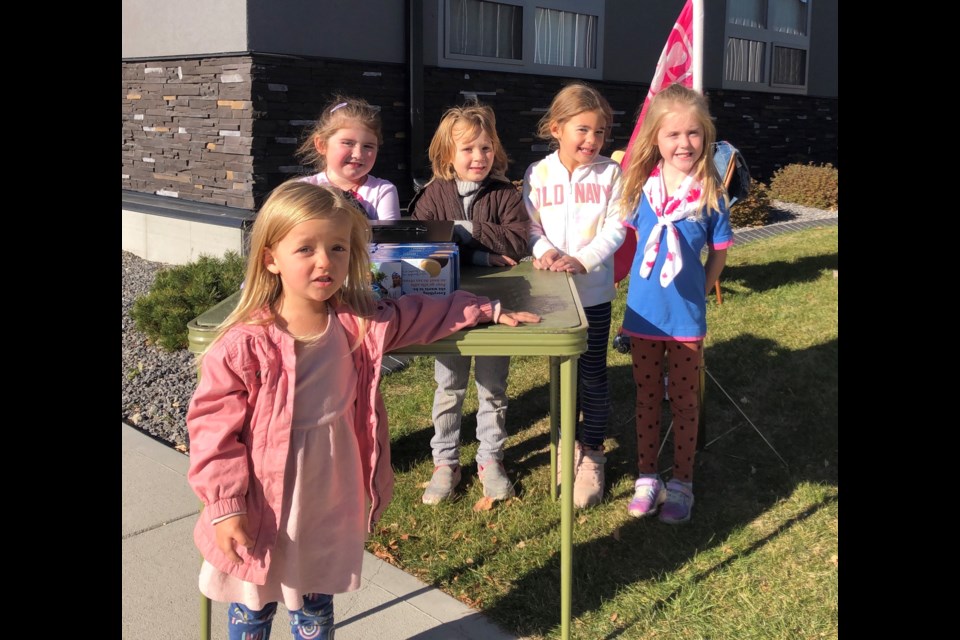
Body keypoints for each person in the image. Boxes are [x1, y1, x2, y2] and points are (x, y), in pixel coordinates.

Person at [186, 180, 539, 640]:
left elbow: (423, 312)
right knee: (253, 600)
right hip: (262, 498)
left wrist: (483, 307)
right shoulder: (243, 346)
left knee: (315, 598)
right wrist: (226, 505)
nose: (323, 261)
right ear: (270, 257)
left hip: (327, 494)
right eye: (305, 248)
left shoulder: (360, 324)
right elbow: (212, 432)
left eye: (337, 247)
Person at [618, 83, 733, 524]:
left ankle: (682, 481)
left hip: (685, 319)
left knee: (684, 402)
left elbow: (719, 251)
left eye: (693, 134)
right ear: (656, 140)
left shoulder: (710, 194)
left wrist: (702, 289)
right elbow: (624, 242)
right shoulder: (639, 191)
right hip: (643, 317)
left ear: (705, 136)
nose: (684, 143)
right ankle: (648, 476)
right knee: (647, 398)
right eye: (673, 135)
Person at [408, 102, 531, 505]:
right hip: (449, 309)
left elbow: (516, 241)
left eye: (486, 148)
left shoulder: (504, 194)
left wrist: (463, 231)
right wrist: (480, 252)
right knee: (449, 387)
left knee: (493, 387)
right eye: (468, 149)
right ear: (447, 155)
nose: (478, 157)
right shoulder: (431, 196)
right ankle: (445, 460)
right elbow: (426, 249)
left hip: (500, 305)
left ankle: (490, 458)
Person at [522, 83, 626, 509]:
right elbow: (528, 225)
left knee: (592, 374)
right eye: (582, 130)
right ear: (556, 128)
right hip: (552, 295)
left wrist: (583, 260)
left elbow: (617, 227)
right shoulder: (537, 173)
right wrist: (544, 251)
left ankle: (594, 453)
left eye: (600, 133)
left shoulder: (610, 174)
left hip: (594, 293)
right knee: (560, 373)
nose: (592, 141)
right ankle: (567, 445)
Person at [296, 94, 401, 220]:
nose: (358, 154)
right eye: (347, 143)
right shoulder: (303, 189)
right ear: (322, 145)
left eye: (368, 146)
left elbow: (390, 238)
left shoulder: (382, 191)